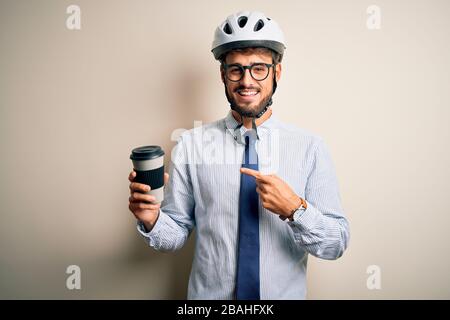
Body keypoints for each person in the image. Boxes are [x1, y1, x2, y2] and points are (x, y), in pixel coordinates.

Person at [128, 11, 350, 300]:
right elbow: (174, 236)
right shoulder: (190, 145)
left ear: (277, 72)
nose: (247, 81)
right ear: (223, 75)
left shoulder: (310, 148)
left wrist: (295, 209)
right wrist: (152, 219)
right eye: (236, 69)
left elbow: (336, 244)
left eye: (258, 68)